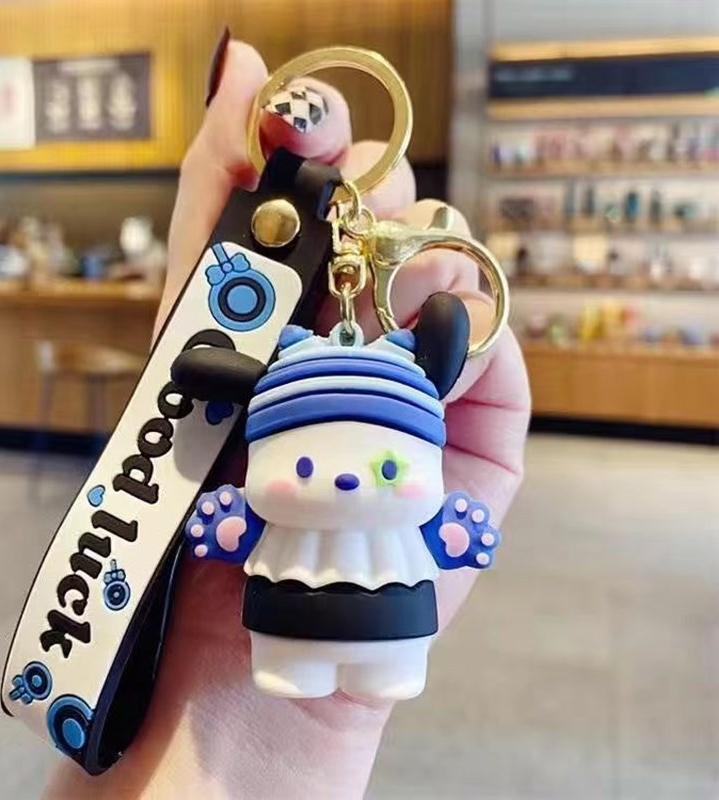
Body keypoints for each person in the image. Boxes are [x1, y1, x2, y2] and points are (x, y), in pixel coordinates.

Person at [46, 37, 530, 800]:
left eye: (388, 468)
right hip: (278, 616)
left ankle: (356, 674)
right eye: (301, 466)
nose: (344, 478)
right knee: (289, 660)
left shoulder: (402, 493)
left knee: (386, 663)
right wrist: (214, 515)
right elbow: (237, 525)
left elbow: (442, 530)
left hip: (391, 612)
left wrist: (454, 529)